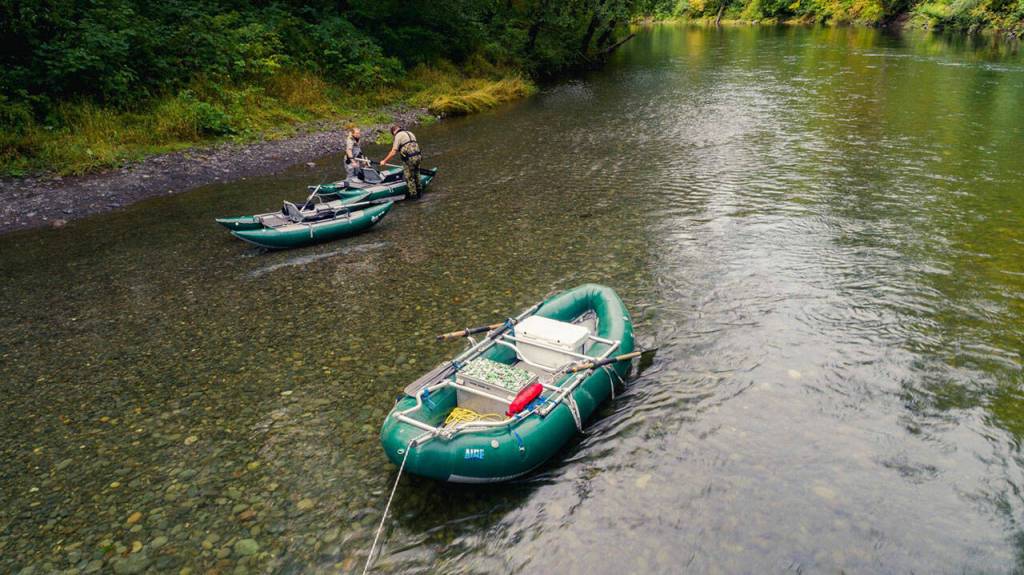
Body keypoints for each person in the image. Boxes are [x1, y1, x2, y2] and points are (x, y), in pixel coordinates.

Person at [380, 124, 422, 198]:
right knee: (417, 174)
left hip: (409, 159)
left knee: (409, 177)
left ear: (393, 132)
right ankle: (420, 193)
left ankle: (414, 197)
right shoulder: (410, 133)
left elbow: (393, 151)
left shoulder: (398, 135)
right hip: (418, 157)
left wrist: (384, 161)